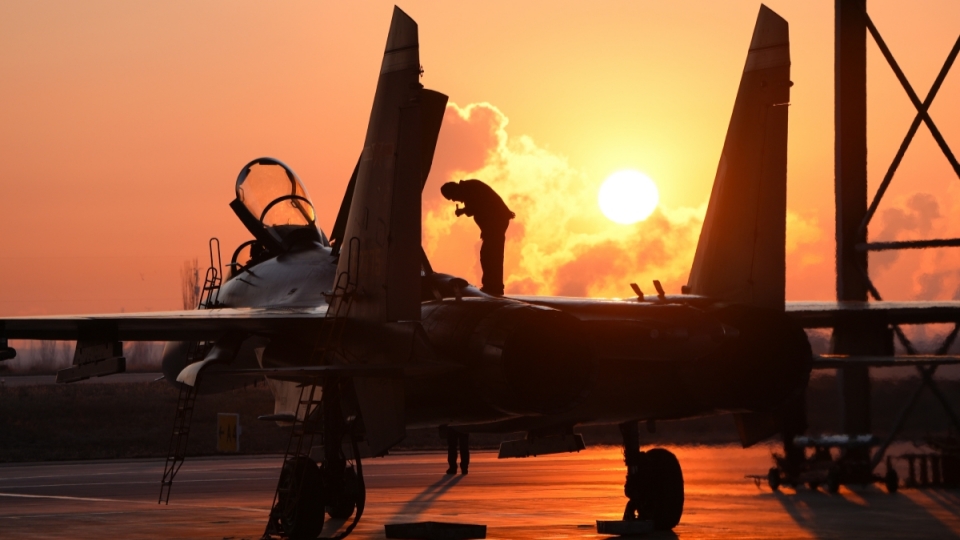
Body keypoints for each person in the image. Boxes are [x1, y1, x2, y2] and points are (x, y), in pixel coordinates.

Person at [440, 179, 515, 296]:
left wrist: (463, 211)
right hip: (495, 223)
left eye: (452, 197)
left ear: (455, 190)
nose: (454, 200)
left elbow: (475, 207)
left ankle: (493, 286)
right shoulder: (469, 189)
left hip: (496, 222)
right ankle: (493, 285)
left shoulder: (470, 189)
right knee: (490, 254)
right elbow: (475, 207)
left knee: (490, 254)